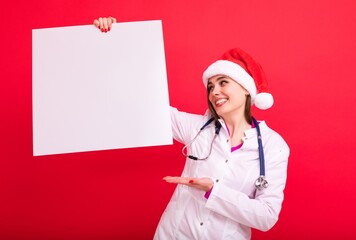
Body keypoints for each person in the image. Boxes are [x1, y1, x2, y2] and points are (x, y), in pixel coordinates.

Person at [94, 17, 290, 240]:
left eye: (223, 82)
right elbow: (140, 100)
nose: (214, 91)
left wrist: (212, 190)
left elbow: (266, 217)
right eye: (210, 86)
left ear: (247, 89)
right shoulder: (198, 129)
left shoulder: (273, 146)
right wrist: (110, 41)